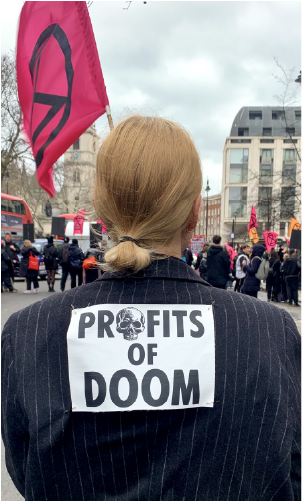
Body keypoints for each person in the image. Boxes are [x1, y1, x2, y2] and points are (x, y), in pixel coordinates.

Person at [2, 116, 301, 501]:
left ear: (99, 208)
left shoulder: (31, 331)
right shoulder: (268, 332)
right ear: (195, 211)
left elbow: (27, 473)